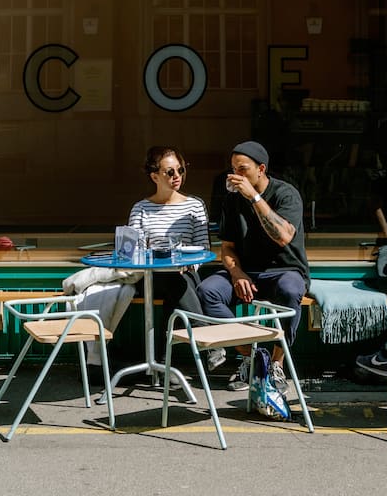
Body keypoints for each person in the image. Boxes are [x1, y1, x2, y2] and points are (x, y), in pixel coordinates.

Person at [198, 141, 310, 391]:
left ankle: (277, 364)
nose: (236, 175)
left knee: (291, 291)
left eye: (242, 169)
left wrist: (254, 197)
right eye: (233, 169)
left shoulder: (285, 194)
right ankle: (253, 356)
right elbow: (227, 247)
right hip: (247, 271)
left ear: (261, 169)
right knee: (208, 291)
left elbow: (283, 236)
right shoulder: (232, 200)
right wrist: (236, 273)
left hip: (284, 270)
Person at [128, 146, 210, 359]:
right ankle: (204, 336)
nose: (177, 176)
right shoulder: (141, 209)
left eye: (180, 170)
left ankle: (163, 364)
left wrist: (190, 265)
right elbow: (135, 251)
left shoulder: (194, 206)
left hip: (187, 272)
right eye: (170, 172)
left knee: (177, 284)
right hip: (150, 276)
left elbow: (204, 247)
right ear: (154, 176)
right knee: (174, 280)